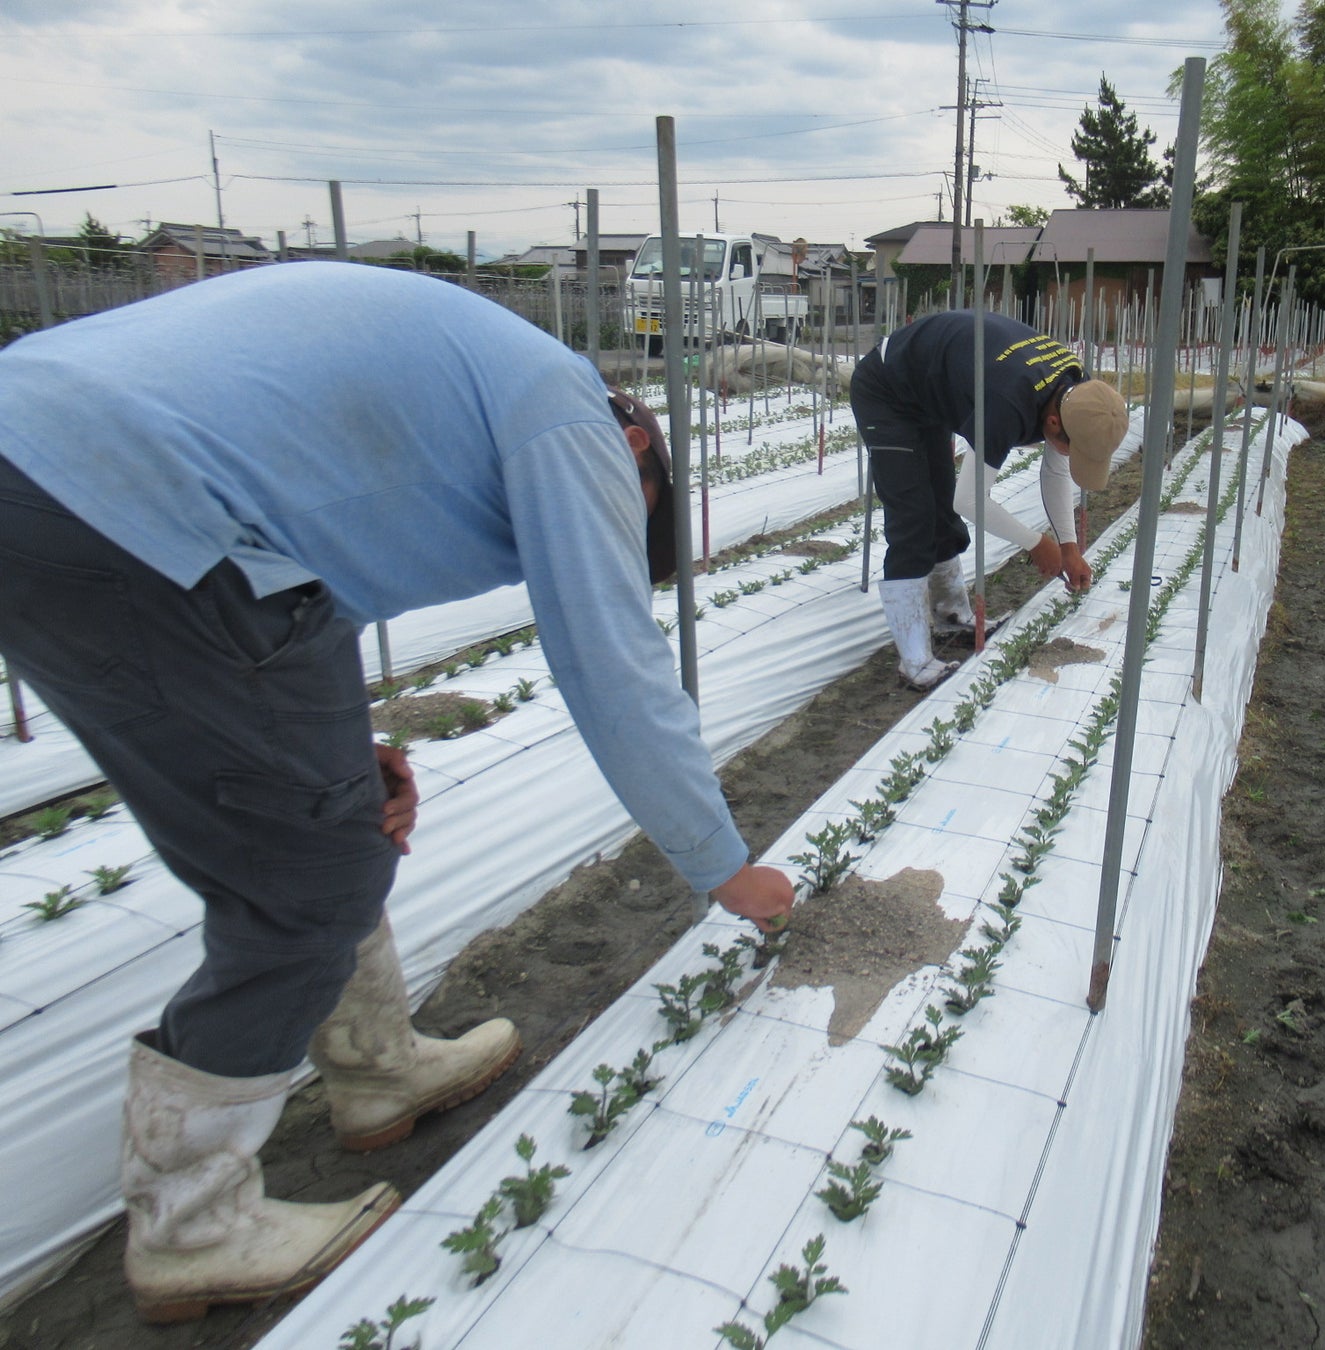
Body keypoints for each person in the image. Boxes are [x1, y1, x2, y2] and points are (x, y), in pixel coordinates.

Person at [0, 262, 793, 1323]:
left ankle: (375, 1069)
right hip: (115, 501)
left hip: (65, 467)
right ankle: (192, 1223)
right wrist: (722, 866)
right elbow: (612, 663)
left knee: (331, 807)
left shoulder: (493, 376)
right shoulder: (572, 425)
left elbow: (309, 551)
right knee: (304, 880)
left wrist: (341, 743)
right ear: (638, 456)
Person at [850, 308, 1130, 690]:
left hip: (928, 390)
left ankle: (951, 616)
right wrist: (1037, 543)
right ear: (1053, 423)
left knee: (940, 511)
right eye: (1072, 448)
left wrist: (1068, 546)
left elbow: (1054, 470)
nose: (1069, 455)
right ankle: (914, 662)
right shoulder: (1007, 402)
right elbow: (969, 500)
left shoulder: (1078, 393)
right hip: (887, 390)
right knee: (913, 517)